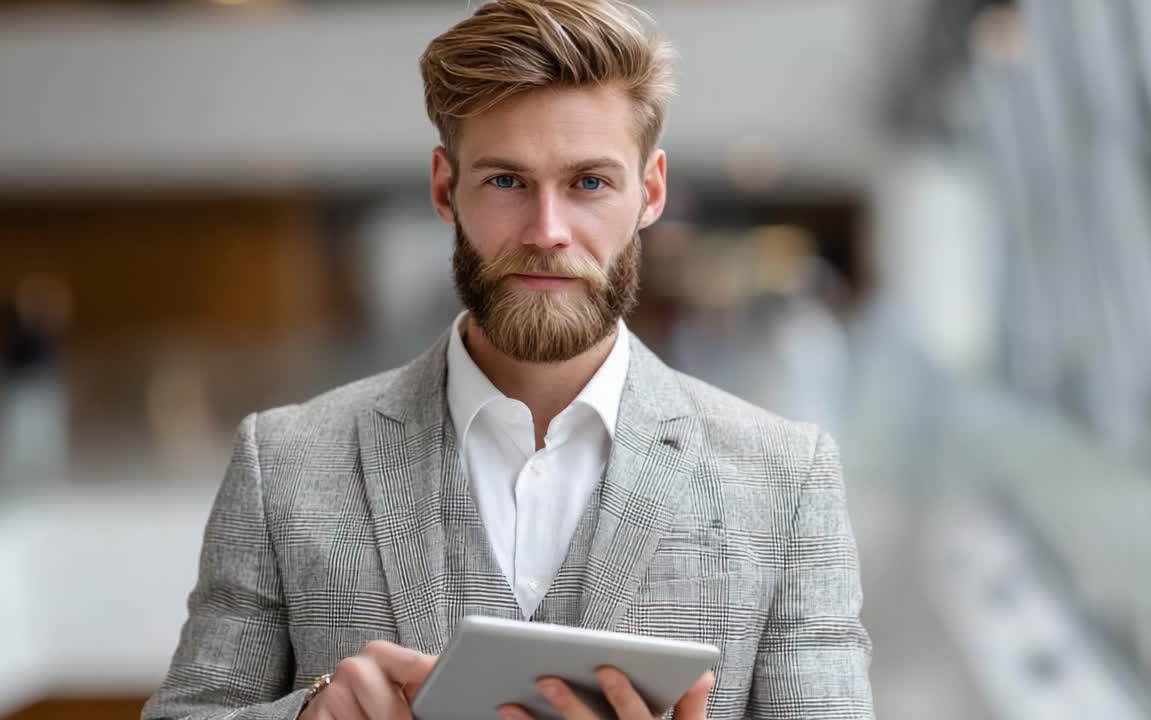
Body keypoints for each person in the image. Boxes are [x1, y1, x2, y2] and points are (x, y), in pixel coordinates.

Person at [142, 1, 873, 719]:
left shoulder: (787, 480)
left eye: (589, 182)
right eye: (506, 181)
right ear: (444, 187)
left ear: (649, 192)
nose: (547, 230)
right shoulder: (287, 463)